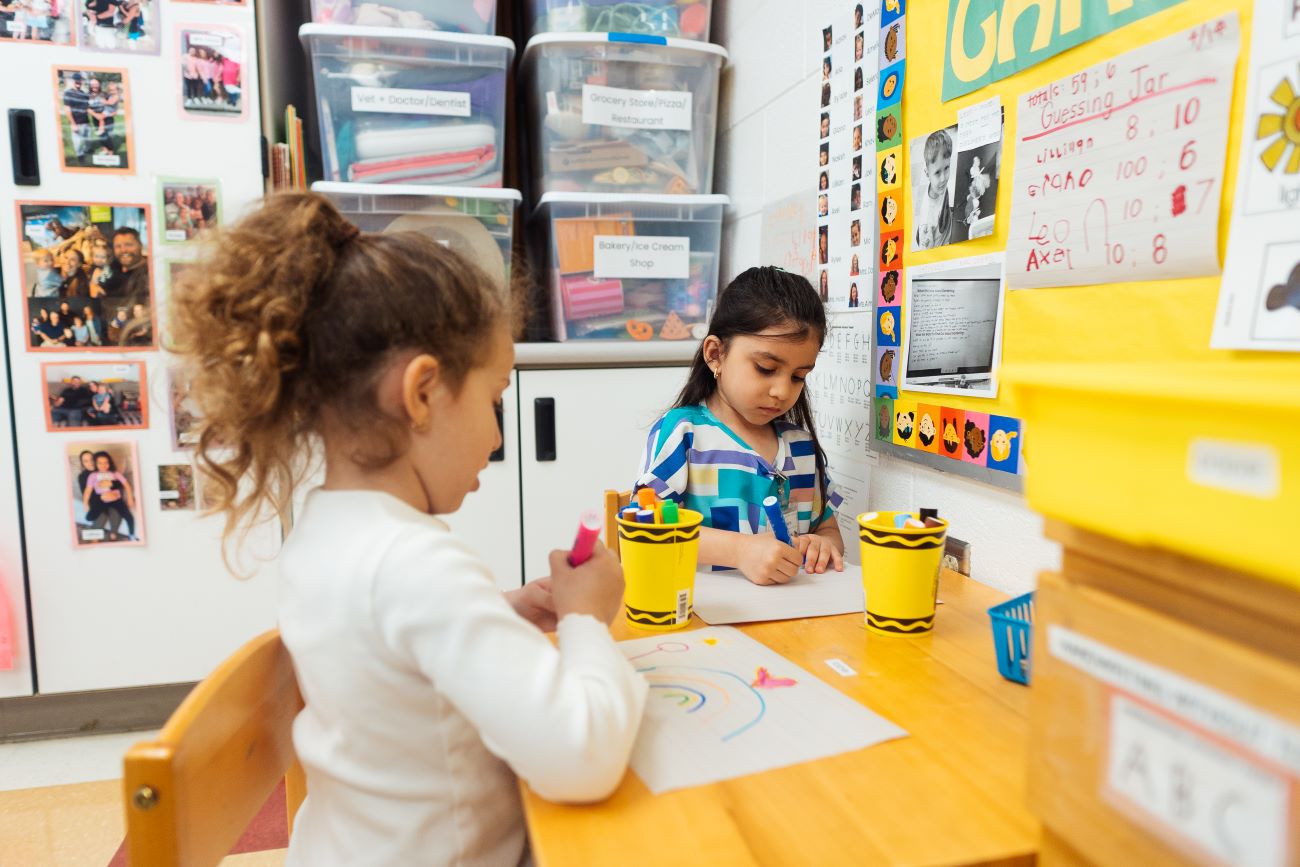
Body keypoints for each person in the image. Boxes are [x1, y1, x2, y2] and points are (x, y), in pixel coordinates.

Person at [167, 192, 647, 866]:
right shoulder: (415, 563)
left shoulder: (325, 531)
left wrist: (497, 610)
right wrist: (588, 619)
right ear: (423, 393)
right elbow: (580, 754)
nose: (496, 433)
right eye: (493, 399)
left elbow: (378, 644)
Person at [634, 267, 845, 586]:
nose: (782, 391)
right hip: (703, 617)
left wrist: (824, 545)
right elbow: (649, 527)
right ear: (716, 355)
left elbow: (826, 528)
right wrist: (739, 552)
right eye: (766, 368)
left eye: (798, 376)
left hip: (791, 621)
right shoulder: (684, 435)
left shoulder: (800, 447)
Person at [83, 450, 135, 541]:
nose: (103, 465)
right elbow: (88, 491)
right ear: (96, 463)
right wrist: (85, 503)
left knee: (129, 517)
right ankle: (94, 532)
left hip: (116, 500)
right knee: (89, 517)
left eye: (106, 462)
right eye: (100, 463)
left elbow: (127, 485)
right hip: (101, 500)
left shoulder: (115, 474)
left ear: (109, 463)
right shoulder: (93, 476)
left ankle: (131, 535)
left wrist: (130, 498)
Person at [915, 128, 954, 250]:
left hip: (947, 228)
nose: (943, 178)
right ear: (927, 173)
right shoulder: (927, 218)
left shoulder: (938, 187)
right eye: (937, 172)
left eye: (946, 168)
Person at [100, 226, 149, 303]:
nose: (123, 250)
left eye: (128, 245)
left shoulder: (149, 273)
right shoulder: (112, 268)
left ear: (140, 245)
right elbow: (99, 286)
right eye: (118, 246)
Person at [61, 71, 92, 162]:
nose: (78, 82)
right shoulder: (68, 93)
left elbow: (88, 106)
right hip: (76, 122)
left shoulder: (83, 93)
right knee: (77, 141)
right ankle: (80, 155)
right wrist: (73, 124)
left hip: (86, 121)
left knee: (88, 139)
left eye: (80, 80)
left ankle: (87, 150)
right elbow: (67, 109)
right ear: (73, 81)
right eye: (76, 80)